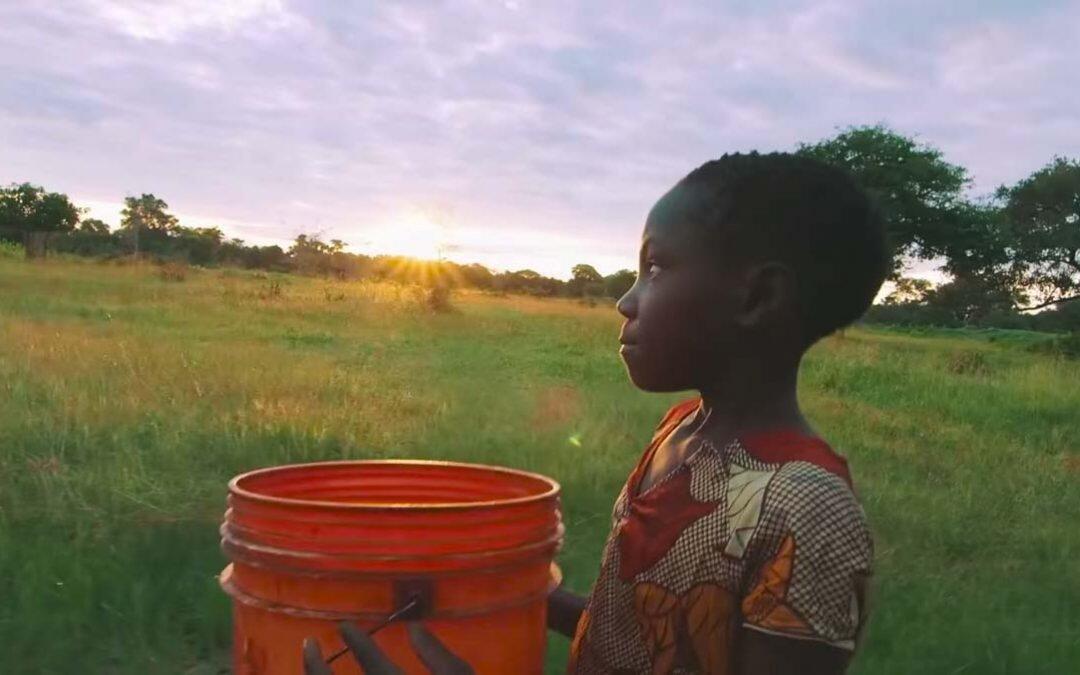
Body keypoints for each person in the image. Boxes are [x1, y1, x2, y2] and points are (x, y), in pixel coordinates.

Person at [306, 152, 888, 674]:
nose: (626, 301)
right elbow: (637, 632)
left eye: (655, 267)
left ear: (757, 298)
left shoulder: (809, 508)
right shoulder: (683, 431)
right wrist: (488, 589)